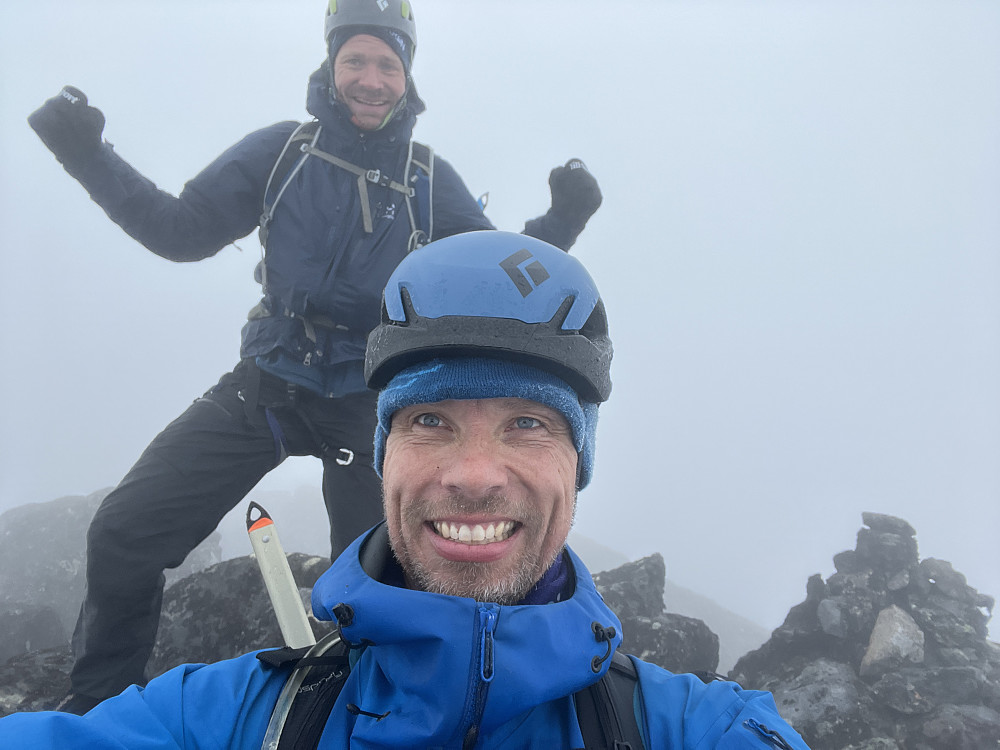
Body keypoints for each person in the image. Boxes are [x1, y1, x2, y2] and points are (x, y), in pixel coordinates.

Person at [0, 230, 810, 749]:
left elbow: (495, 259)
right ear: (384, 452)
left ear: (580, 462)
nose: (474, 473)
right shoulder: (218, 720)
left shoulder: (700, 732)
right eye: (429, 421)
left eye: (530, 423)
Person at [26, 0, 603, 714]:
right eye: (355, 59)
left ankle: (382, 720)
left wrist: (562, 222)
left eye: (387, 63)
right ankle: (97, 717)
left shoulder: (426, 180)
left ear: (406, 76)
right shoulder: (284, 153)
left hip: (364, 399)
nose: (370, 78)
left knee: (388, 585)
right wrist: (87, 154)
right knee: (123, 533)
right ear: (331, 65)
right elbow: (179, 231)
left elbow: (492, 275)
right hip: (266, 384)